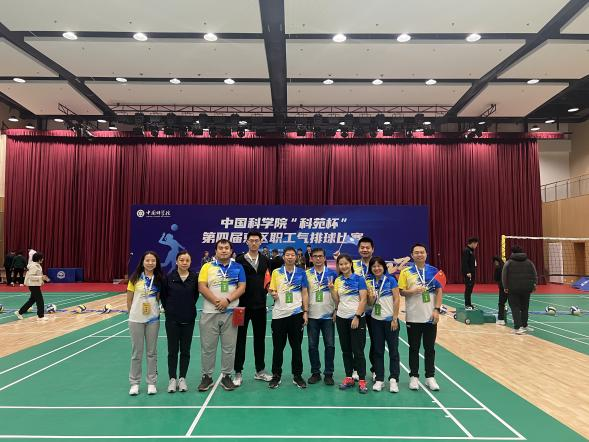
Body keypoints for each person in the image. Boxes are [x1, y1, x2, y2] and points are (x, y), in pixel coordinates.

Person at [197, 239, 246, 392]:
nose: (224, 250)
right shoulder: (207, 267)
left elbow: (242, 287)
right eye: (220, 248)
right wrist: (217, 302)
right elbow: (202, 286)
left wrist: (227, 300)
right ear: (216, 251)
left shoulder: (238, 267)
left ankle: (226, 376)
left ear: (231, 251)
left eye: (226, 248)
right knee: (208, 347)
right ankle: (207, 376)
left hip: (231, 312)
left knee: (229, 347)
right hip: (209, 312)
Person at [398, 243, 443, 391]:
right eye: (416, 252)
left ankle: (430, 377)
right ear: (412, 255)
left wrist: (436, 310)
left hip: (430, 316)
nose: (419, 254)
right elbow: (401, 292)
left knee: (430, 348)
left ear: (426, 254)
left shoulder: (434, 271)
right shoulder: (406, 272)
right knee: (414, 348)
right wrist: (413, 291)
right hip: (413, 317)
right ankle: (414, 377)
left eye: (422, 252)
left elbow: (439, 291)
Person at [234, 231, 273, 386]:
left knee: (259, 339)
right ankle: (238, 371)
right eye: (251, 240)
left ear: (261, 242)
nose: (254, 243)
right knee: (239, 339)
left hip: (260, 306)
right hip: (241, 307)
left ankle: (260, 371)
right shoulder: (239, 259)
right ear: (247, 242)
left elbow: (268, 280)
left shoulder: (265, 260)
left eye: (257, 240)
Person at [268, 246, 309, 389]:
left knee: (296, 347)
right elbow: (272, 289)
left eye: (292, 255)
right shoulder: (276, 272)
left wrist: (305, 311)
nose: (290, 257)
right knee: (278, 348)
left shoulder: (301, 272)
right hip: (279, 315)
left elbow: (304, 292)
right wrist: (273, 293)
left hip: (296, 315)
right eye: (287, 255)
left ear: (296, 257)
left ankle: (297, 375)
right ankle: (276, 375)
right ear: (283, 257)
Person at [330, 253, 369, 394]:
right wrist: (331, 289)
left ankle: (362, 380)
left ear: (351, 264)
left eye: (346, 263)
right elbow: (337, 300)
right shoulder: (338, 280)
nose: (344, 266)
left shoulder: (359, 279)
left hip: (356, 318)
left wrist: (357, 316)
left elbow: (364, 299)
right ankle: (349, 377)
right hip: (341, 318)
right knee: (346, 350)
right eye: (341, 264)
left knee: (358, 351)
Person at [126, 251, 164, 396]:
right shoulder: (134, 278)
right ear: (142, 262)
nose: (150, 263)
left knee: (151, 352)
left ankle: (151, 382)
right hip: (136, 319)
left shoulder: (159, 279)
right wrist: (133, 313)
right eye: (147, 260)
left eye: (153, 260)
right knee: (137, 352)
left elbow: (158, 299)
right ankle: (134, 383)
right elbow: (129, 299)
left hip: (153, 320)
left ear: (156, 263)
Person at [161, 250, 199, 393]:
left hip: (188, 319)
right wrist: (171, 310)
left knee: (185, 350)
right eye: (181, 260)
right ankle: (172, 379)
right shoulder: (168, 278)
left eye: (187, 260)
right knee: (172, 351)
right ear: (177, 262)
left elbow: (195, 296)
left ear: (190, 262)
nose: (184, 263)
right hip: (172, 320)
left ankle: (182, 378)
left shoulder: (194, 278)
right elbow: (164, 297)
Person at [367, 256, 401, 393]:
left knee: (393, 351)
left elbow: (397, 299)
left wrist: (395, 318)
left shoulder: (391, 280)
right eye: (374, 266)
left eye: (379, 266)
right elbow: (370, 304)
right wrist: (371, 298)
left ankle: (393, 379)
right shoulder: (369, 282)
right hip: (375, 321)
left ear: (383, 267)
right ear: (371, 268)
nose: (376, 268)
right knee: (378, 351)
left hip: (390, 321)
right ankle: (379, 379)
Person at [306, 247, 338, 386]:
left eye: (320, 256)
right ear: (311, 258)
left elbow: (338, 294)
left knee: (330, 346)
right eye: (315, 256)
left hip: (328, 316)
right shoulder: (306, 274)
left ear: (325, 258)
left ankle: (329, 374)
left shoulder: (332, 274)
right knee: (312, 346)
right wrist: (304, 311)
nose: (318, 259)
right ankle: (315, 373)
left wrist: (336, 309)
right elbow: (303, 293)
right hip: (312, 315)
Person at [353, 237, 376, 381]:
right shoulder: (353, 265)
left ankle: (375, 370)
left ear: (373, 249)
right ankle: (356, 369)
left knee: (376, 341)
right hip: (358, 309)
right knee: (358, 342)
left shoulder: (378, 264)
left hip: (375, 309)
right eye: (362, 247)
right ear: (358, 249)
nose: (365, 250)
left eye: (368, 247)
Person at [501, 245, 537, 335]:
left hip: (513, 289)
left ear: (512, 252)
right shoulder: (529, 262)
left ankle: (517, 328)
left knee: (515, 307)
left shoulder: (509, 262)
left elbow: (504, 275)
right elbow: (534, 273)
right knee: (525, 307)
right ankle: (525, 325)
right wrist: (534, 284)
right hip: (526, 288)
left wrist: (505, 287)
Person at [15, 252, 50, 321]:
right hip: (33, 285)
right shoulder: (34, 266)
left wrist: (42, 279)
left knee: (32, 300)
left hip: (35, 285)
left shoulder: (37, 265)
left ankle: (19, 312)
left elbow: (37, 275)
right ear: (38, 259)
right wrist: (41, 277)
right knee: (40, 300)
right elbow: (31, 277)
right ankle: (40, 316)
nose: (43, 259)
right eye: (42, 258)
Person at [461, 237, 479, 309]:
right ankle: (467, 304)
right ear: (473, 243)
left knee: (470, 289)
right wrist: (467, 272)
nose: (476, 246)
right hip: (469, 274)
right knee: (468, 289)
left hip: (472, 272)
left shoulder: (470, 251)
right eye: (476, 244)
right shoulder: (466, 251)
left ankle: (469, 304)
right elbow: (464, 262)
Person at [493, 256, 508, 326]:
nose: (495, 263)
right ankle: (518, 321)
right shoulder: (507, 266)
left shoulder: (498, 268)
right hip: (511, 287)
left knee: (501, 303)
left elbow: (496, 278)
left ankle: (501, 319)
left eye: (495, 262)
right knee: (514, 304)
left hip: (503, 288)